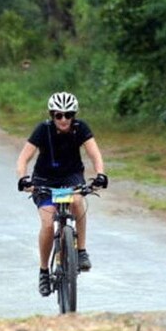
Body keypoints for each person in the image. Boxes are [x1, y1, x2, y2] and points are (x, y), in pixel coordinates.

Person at [15, 91, 109, 297]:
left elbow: (95, 153)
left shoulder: (80, 128)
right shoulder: (42, 130)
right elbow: (23, 159)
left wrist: (101, 174)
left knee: (77, 201)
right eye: (58, 115)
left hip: (70, 178)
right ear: (52, 116)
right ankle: (43, 271)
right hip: (44, 181)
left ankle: (81, 251)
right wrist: (23, 178)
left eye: (68, 115)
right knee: (48, 224)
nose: (64, 119)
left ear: (73, 115)